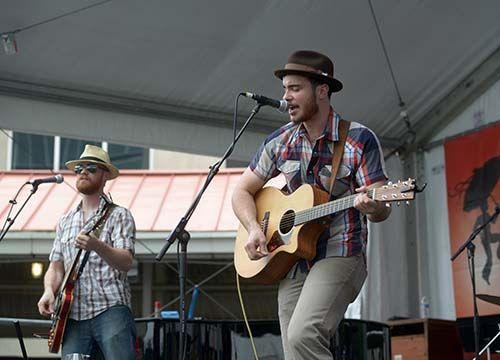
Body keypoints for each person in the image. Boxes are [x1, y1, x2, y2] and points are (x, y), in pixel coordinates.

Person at [232, 50, 391, 359]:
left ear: (322, 91)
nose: (286, 97)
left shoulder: (359, 139)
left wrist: (374, 206)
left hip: (341, 250)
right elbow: (241, 191)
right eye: (285, 89)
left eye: (295, 89)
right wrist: (254, 228)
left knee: (304, 333)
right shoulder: (279, 141)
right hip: (293, 256)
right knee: (293, 348)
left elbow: (382, 203)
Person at [37, 144, 137, 359]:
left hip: (111, 309)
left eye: (91, 168)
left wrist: (97, 246)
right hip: (72, 315)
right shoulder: (65, 220)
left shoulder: (119, 215)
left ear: (105, 177)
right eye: (79, 168)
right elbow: (55, 267)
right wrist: (48, 291)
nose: (83, 172)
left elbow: (126, 262)